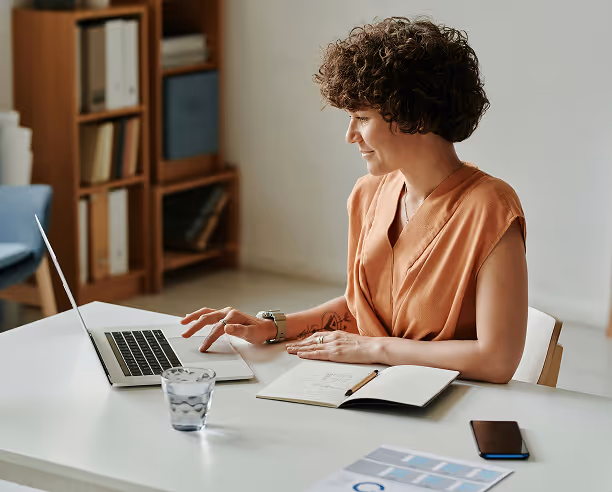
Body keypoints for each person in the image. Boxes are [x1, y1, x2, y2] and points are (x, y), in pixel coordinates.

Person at [181, 16, 528, 384]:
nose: (350, 135)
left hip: (451, 400)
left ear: (418, 116)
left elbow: (497, 360)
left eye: (362, 117)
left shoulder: (491, 207)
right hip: (372, 386)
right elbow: (364, 310)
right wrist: (272, 326)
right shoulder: (369, 194)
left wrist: (375, 349)